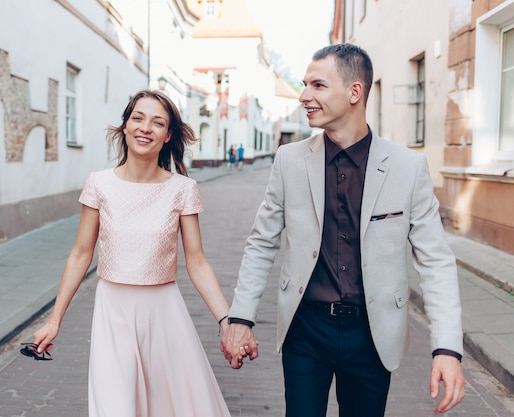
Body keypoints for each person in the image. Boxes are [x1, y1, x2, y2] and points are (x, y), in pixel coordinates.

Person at [220, 43, 465, 417]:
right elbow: (261, 243)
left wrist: (447, 348)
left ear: (355, 93)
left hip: (373, 334)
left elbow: (436, 263)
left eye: (317, 86)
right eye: (304, 85)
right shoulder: (289, 161)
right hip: (305, 329)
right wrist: (241, 318)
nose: (304, 96)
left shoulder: (408, 168)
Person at [32, 89, 232, 417]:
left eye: (157, 123)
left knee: (170, 407)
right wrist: (55, 320)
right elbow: (81, 254)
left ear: (168, 136)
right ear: (125, 126)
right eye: (137, 118)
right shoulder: (99, 184)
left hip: (163, 312)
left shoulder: (182, 189)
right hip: (113, 310)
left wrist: (226, 320)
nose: (145, 128)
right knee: (116, 406)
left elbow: (196, 261)